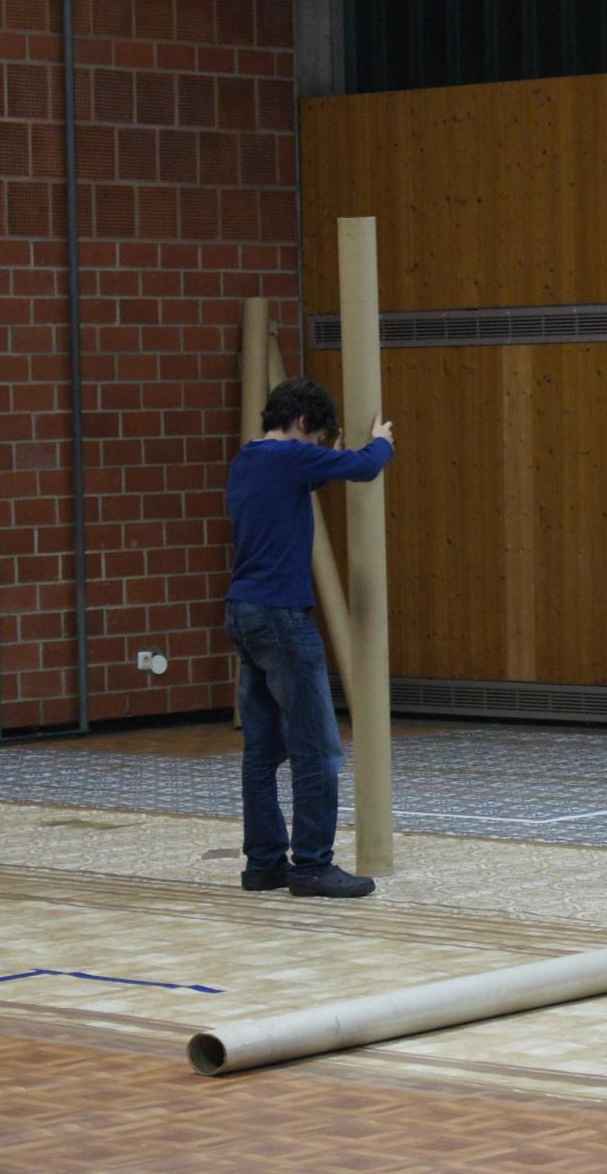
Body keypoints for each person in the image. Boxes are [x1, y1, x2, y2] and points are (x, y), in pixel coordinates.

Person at [225, 378, 394, 899]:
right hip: (282, 617)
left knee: (262, 750)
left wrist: (325, 458)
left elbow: (300, 482)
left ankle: (264, 864)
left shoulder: (251, 458)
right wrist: (382, 442)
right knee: (317, 750)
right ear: (302, 423)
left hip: (244, 610)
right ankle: (313, 865)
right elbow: (365, 467)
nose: (318, 447)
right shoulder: (291, 458)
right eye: (318, 438)